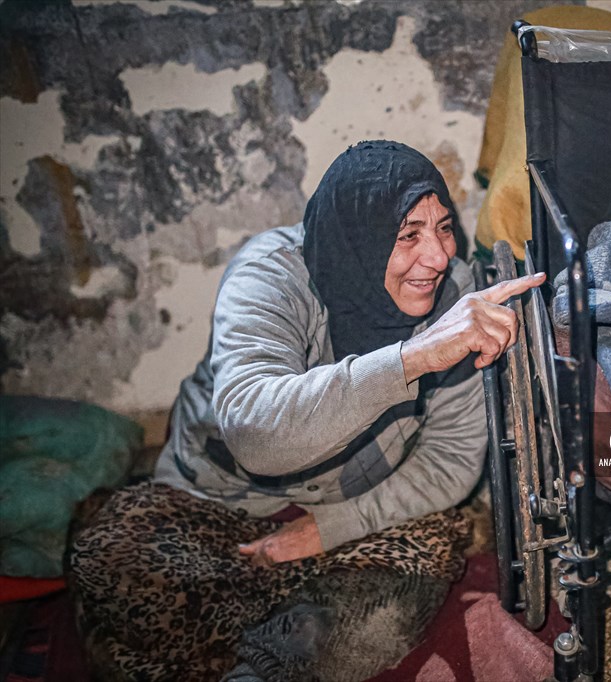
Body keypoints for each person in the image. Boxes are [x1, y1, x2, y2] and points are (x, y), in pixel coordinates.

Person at [69, 141, 544, 680]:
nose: (436, 257)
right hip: (219, 517)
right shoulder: (271, 276)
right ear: (356, 239)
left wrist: (333, 527)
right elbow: (256, 436)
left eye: (442, 228)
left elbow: (451, 459)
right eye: (409, 235)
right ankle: (274, 648)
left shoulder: (453, 292)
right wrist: (412, 358)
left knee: (425, 557)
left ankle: (260, 663)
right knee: (114, 557)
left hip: (357, 519)